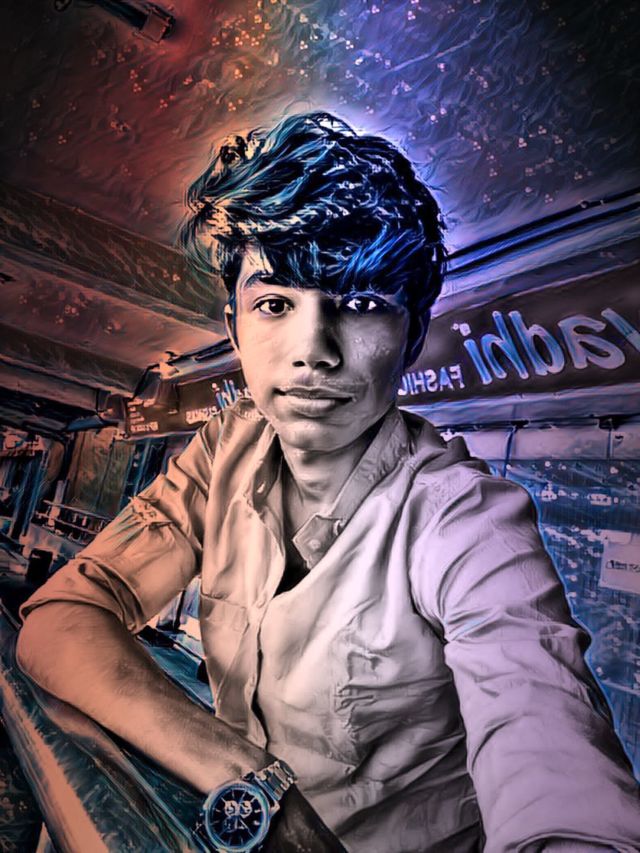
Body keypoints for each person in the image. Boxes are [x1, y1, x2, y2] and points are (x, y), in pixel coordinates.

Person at [16, 112, 640, 852]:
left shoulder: (467, 520)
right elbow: (62, 617)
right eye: (275, 304)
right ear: (235, 326)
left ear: (412, 335)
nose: (312, 351)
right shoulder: (225, 446)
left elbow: (553, 763)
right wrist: (256, 787)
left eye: (362, 304)